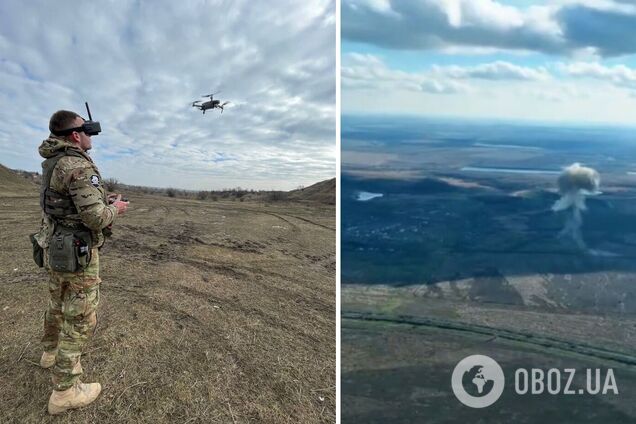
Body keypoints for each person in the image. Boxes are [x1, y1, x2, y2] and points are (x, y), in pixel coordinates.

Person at [34, 110, 128, 415]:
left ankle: (50, 353)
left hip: (56, 246)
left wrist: (103, 198)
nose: (91, 136)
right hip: (77, 253)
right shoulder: (77, 164)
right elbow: (95, 218)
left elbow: (64, 204)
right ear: (76, 135)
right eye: (88, 130)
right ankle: (65, 391)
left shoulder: (52, 162)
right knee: (80, 316)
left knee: (57, 303)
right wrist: (117, 209)